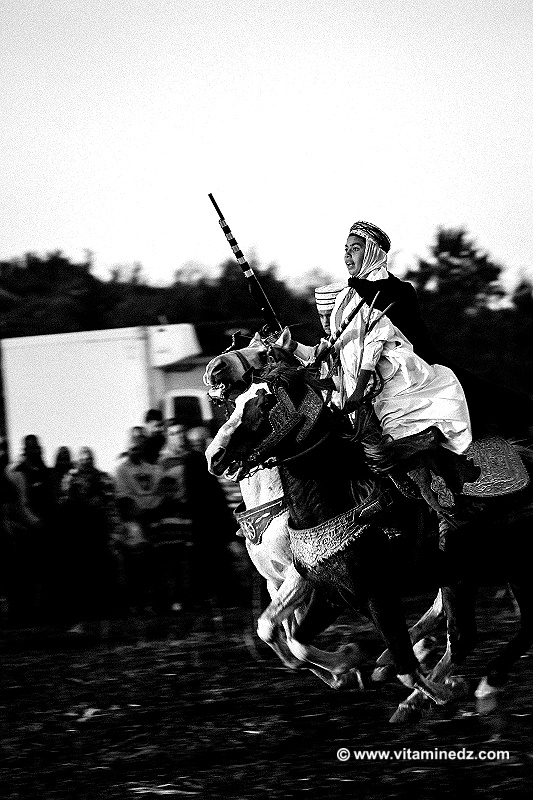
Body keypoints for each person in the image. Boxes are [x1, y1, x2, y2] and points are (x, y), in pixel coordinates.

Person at [60, 447, 122, 628]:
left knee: (104, 573)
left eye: (89, 459)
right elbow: (65, 504)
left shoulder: (104, 479)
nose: (85, 462)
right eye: (82, 459)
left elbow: (112, 509)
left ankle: (106, 613)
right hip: (78, 536)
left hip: (100, 534)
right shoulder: (70, 479)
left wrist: (115, 535)